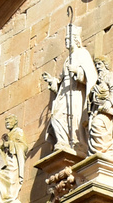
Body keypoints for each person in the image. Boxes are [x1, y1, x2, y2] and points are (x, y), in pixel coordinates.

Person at [41, 23, 97, 153]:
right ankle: (62, 141)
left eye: (68, 39)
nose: (66, 42)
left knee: (73, 117)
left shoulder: (82, 53)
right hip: (63, 93)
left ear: (76, 40)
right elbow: (61, 81)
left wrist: (78, 71)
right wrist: (53, 82)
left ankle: (75, 141)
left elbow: (90, 76)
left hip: (75, 92)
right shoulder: (67, 59)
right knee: (56, 117)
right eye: (65, 40)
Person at [86, 57, 113, 154]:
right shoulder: (98, 81)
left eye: (99, 64)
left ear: (105, 64)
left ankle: (106, 149)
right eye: (96, 65)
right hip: (96, 110)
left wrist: (109, 102)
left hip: (105, 109)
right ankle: (99, 150)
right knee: (93, 126)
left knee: (98, 125)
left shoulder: (109, 75)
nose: (97, 67)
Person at [0, 115, 26, 203]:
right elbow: (2, 148)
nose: (7, 122)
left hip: (13, 161)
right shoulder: (9, 134)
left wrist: (10, 144)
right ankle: (0, 198)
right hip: (6, 161)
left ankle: (10, 198)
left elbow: (23, 146)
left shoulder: (18, 132)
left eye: (9, 120)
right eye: (6, 120)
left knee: (10, 178)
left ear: (15, 121)